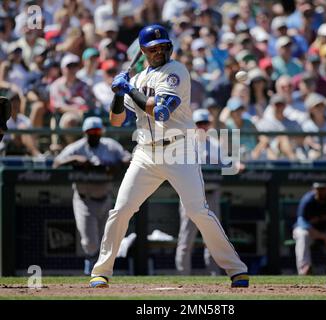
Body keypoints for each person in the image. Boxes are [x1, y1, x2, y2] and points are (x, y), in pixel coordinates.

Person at [89, 24, 249, 288]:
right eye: (153, 48)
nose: (159, 51)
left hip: (179, 150)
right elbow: (116, 121)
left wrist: (128, 89)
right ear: (143, 51)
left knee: (198, 211)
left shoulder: (176, 71)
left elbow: (160, 112)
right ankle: (101, 271)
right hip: (145, 153)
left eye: (163, 46)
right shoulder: (138, 79)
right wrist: (117, 95)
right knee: (121, 210)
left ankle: (236, 269)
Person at [53, 117, 131, 275]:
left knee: (105, 240)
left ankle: (101, 273)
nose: (94, 135)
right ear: (85, 133)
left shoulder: (110, 145)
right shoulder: (77, 147)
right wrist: (75, 159)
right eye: (91, 132)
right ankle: (91, 270)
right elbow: (56, 163)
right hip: (84, 199)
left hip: (105, 197)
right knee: (90, 242)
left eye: (97, 131)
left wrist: (117, 165)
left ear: (101, 132)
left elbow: (128, 157)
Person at [175, 109, 221, 276]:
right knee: (186, 238)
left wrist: (236, 165)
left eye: (205, 124)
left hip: (211, 194)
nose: (202, 127)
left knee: (213, 238)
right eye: (199, 124)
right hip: (190, 195)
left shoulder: (215, 145)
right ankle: (182, 276)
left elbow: (225, 165)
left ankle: (214, 275)